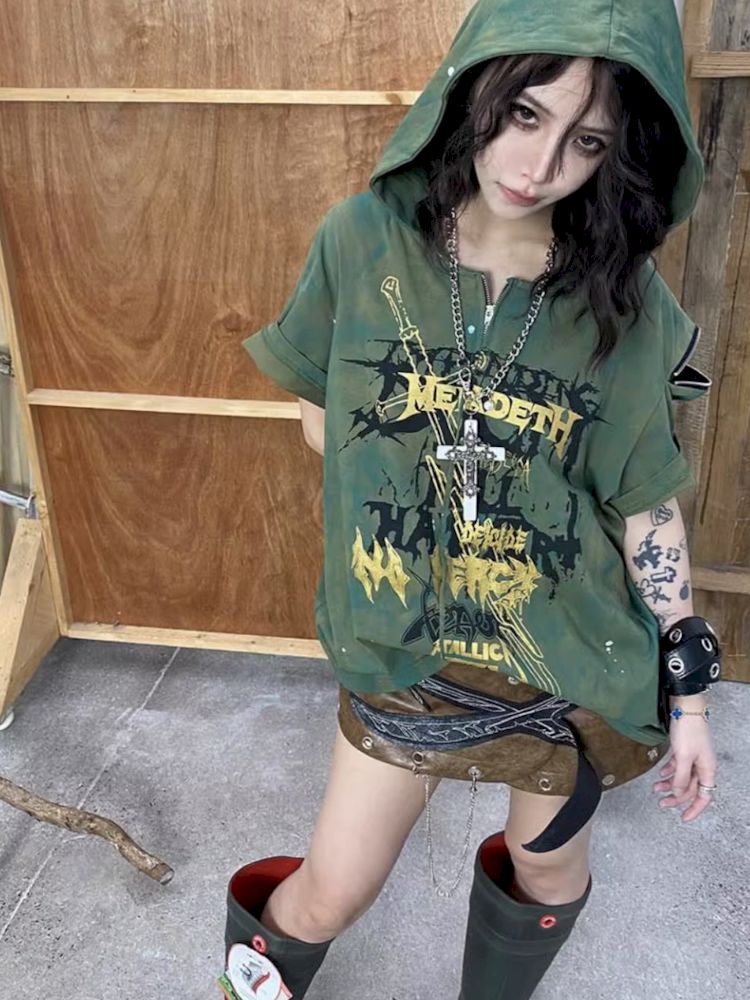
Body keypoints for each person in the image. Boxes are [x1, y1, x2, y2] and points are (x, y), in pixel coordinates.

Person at [219, 1, 723, 998]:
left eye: (587, 142)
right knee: (331, 891)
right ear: (476, 88)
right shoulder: (363, 242)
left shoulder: (626, 303)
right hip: (405, 649)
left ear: (620, 156)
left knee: (547, 870)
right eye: (525, 114)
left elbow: (645, 507)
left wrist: (693, 697)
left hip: (565, 663)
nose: (539, 166)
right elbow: (321, 422)